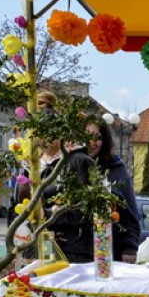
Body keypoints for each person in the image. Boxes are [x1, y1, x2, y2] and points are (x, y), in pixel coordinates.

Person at [35, 91, 97, 263]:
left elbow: (85, 209)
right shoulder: (30, 165)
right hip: (35, 250)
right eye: (38, 131)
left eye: (49, 131)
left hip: (72, 253)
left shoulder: (79, 162)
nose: (43, 137)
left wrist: (46, 215)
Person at [87, 120, 139, 262]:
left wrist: (129, 247)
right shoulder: (69, 168)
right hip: (76, 252)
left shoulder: (115, 169)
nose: (92, 142)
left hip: (109, 251)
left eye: (97, 137)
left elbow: (130, 212)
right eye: (86, 136)